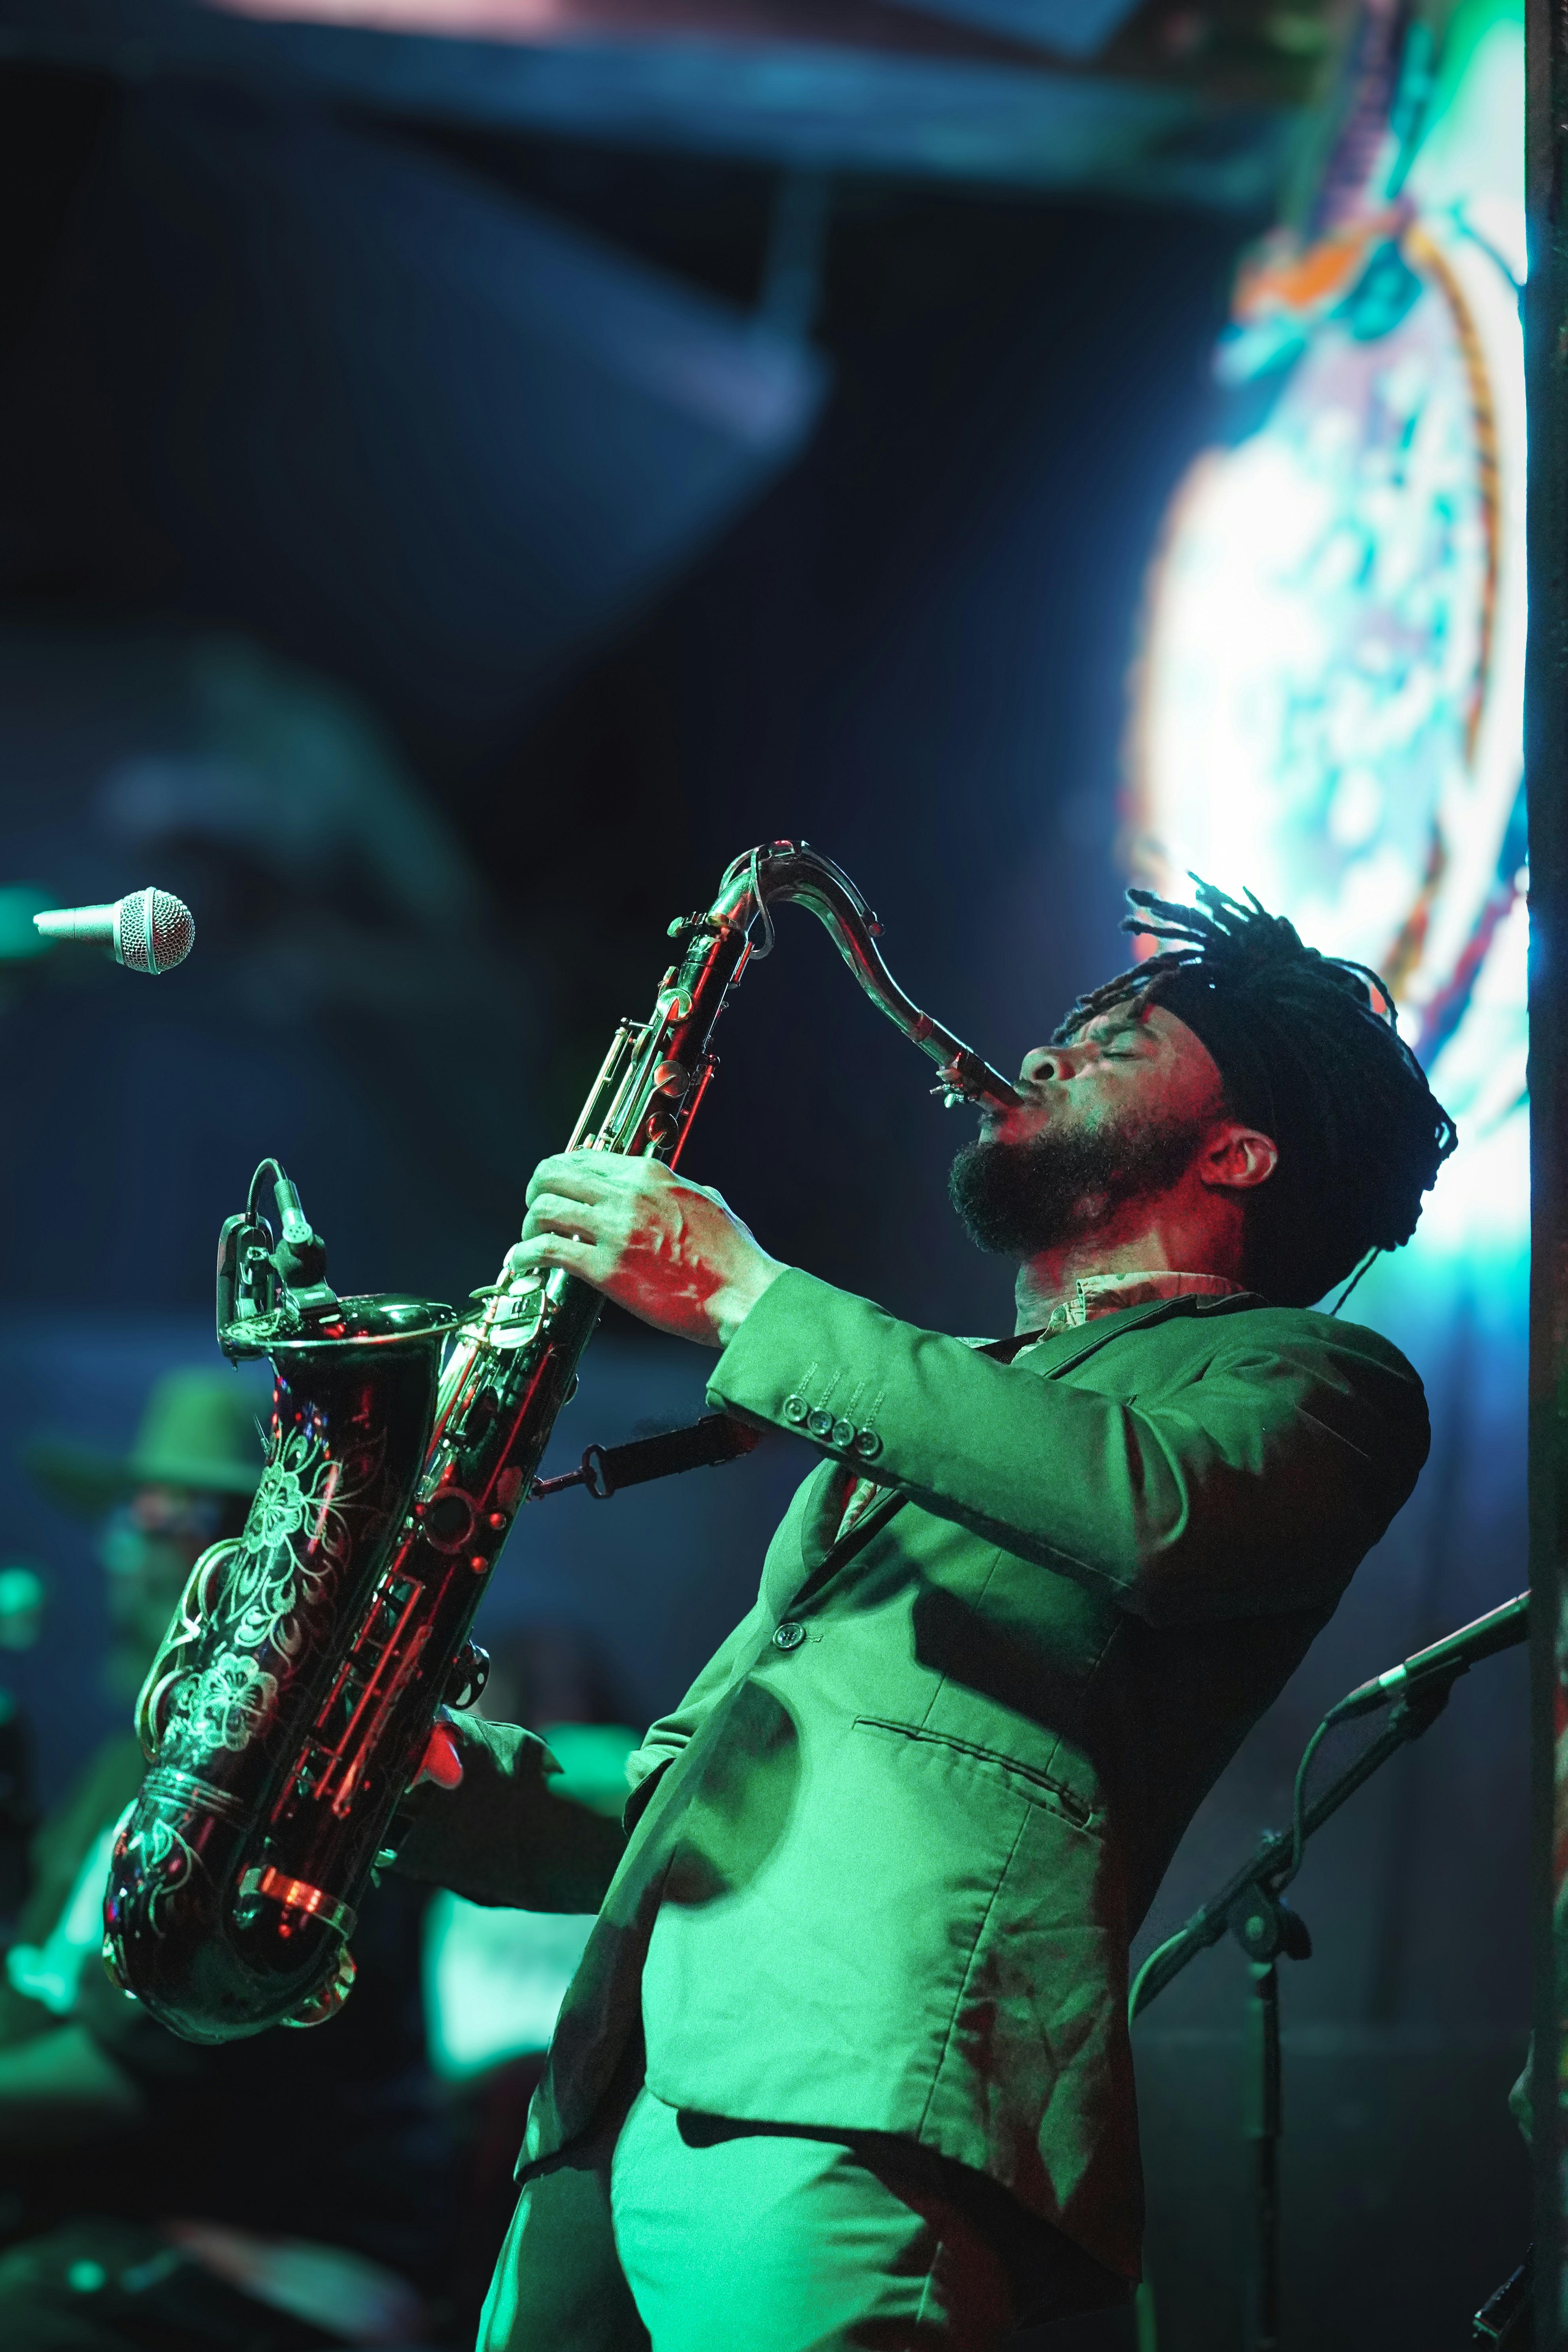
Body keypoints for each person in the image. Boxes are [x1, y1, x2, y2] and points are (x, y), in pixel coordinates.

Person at [393, 881, 1455, 2351]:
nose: (1051, 1046)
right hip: (602, 2103)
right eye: (1071, 1019)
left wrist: (745, 1291)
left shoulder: (1319, 1383)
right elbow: (678, 1794)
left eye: (1123, 1036)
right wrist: (430, 1771)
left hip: (866, 2085)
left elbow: (1156, 1508)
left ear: (1237, 1149)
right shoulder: (929, 1401)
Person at [0, 1370, 455, 2351]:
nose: (125, 1546)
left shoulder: (308, 1769)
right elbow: (35, 1988)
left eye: (167, 1513)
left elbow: (136, 2081)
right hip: (133, 2222)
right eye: (130, 1511)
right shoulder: (130, 1753)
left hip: (270, 2252)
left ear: (264, 1546)